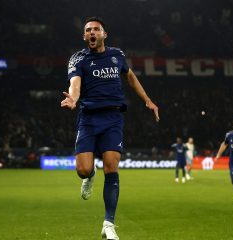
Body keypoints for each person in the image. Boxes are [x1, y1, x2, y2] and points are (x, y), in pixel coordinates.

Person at [61, 17, 159, 240]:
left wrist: (147, 99)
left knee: (112, 167)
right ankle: (90, 174)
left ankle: (109, 223)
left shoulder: (117, 55)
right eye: (88, 30)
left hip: (113, 117)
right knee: (83, 170)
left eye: (96, 29)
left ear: (104, 34)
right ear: (85, 36)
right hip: (88, 117)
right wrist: (74, 99)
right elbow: (74, 84)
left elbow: (131, 77)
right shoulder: (78, 58)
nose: (92, 32)